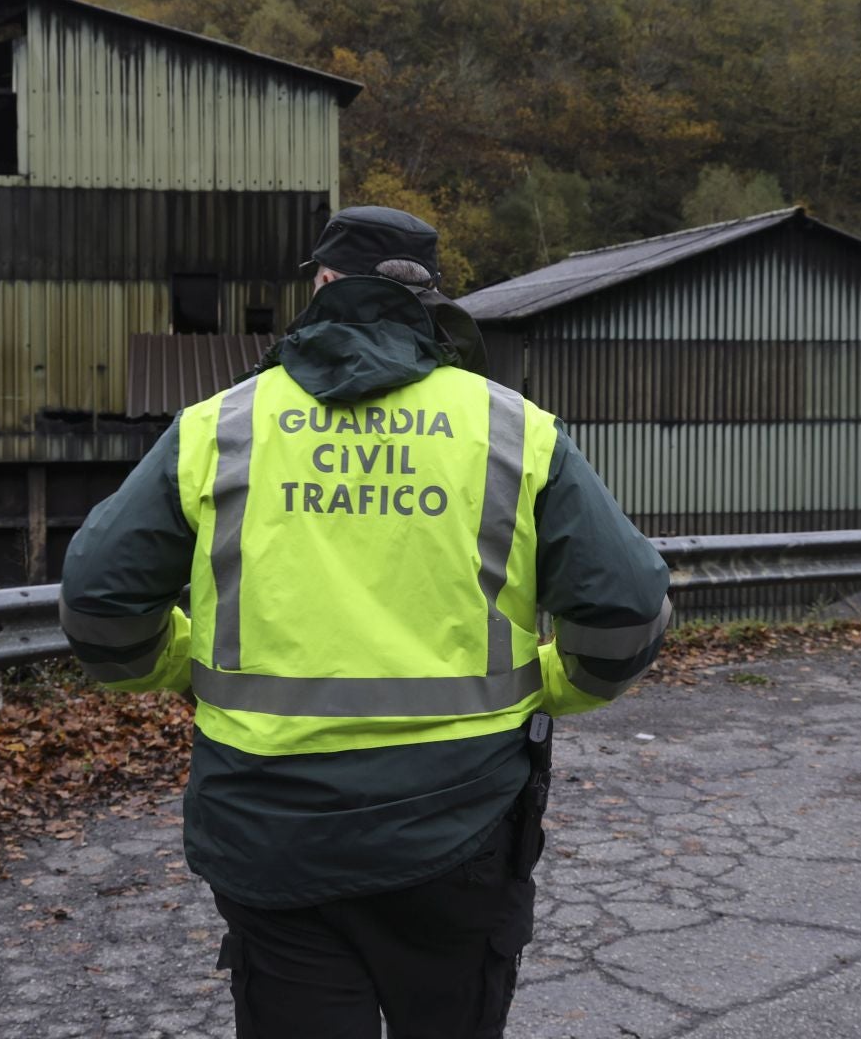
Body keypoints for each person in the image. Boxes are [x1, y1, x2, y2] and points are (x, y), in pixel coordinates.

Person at [58, 205, 671, 1039]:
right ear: (430, 295)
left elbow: (98, 603)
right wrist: (553, 688)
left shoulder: (220, 427)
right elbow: (628, 605)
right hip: (462, 825)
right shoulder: (511, 429)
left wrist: (181, 665)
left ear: (321, 284)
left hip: (271, 832)